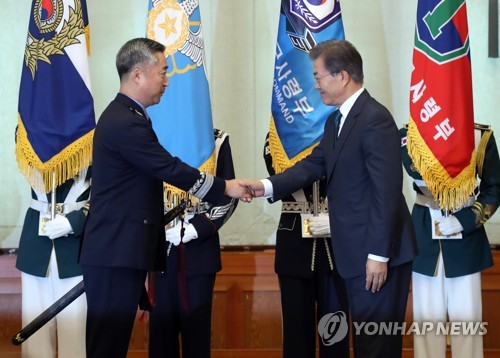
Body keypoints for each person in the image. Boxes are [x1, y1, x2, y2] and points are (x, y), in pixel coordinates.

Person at [238, 39, 418, 358]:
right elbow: (312, 166)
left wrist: (378, 255)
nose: (316, 84)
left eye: (319, 76)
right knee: (365, 345)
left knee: (376, 348)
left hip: (377, 256)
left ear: (343, 76)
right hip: (356, 256)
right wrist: (263, 186)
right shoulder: (336, 120)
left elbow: (386, 191)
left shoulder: (374, 118)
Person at [78, 37, 249, 358]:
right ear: (138, 75)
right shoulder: (125, 122)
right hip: (115, 254)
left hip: (120, 253)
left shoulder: (128, 116)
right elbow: (167, 167)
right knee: (106, 347)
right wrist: (226, 187)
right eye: (163, 72)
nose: (168, 81)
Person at [400, 123, 500, 358]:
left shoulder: (479, 136)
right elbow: (414, 171)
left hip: (466, 239)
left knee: (467, 324)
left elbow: (494, 188)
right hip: (424, 233)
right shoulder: (408, 135)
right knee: (427, 324)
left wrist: (466, 220)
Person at [149, 128, 238, 358]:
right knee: (160, 340)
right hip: (160, 250)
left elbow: (228, 197)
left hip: (199, 253)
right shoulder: (150, 134)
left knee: (196, 340)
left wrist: (195, 229)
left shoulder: (215, 140)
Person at [263, 133, 349, 358]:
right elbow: (280, 177)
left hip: (336, 245)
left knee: (335, 329)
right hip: (294, 244)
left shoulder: (341, 132)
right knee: (296, 331)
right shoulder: (278, 136)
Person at [16, 168, 91, 358]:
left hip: (76, 246)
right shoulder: (30, 137)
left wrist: (75, 222)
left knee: (75, 330)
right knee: (35, 333)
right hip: (37, 243)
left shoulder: (91, 139)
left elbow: (106, 194)